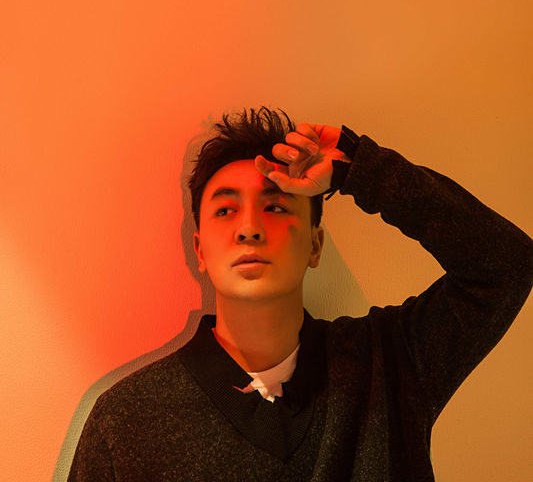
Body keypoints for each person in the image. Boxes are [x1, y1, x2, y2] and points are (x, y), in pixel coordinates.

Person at [67, 107, 533, 481]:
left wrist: (361, 170)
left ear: (314, 245)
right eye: (226, 211)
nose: (249, 228)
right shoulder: (127, 420)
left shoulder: (390, 364)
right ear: (200, 249)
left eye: (274, 206)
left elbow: (507, 265)